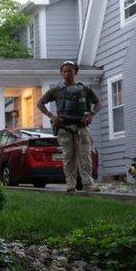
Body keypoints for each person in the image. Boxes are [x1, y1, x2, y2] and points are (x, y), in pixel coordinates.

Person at [37, 61, 101, 192]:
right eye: (65, 71)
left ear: (75, 72)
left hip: (82, 127)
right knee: (68, 156)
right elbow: (40, 103)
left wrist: (91, 114)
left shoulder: (84, 89)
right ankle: (70, 184)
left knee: (85, 155)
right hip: (64, 127)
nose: (67, 73)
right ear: (61, 73)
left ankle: (88, 184)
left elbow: (98, 102)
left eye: (70, 71)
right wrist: (51, 116)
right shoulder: (56, 90)